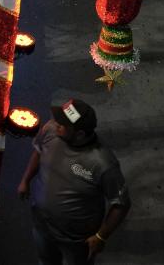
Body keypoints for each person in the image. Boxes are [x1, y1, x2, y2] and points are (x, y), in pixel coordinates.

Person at [17, 99, 130, 264]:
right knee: (45, 260)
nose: (56, 125)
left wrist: (101, 236)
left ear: (80, 134)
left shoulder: (103, 163)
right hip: (42, 225)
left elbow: (121, 204)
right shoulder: (50, 130)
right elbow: (38, 152)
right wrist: (25, 180)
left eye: (63, 124)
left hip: (76, 241)